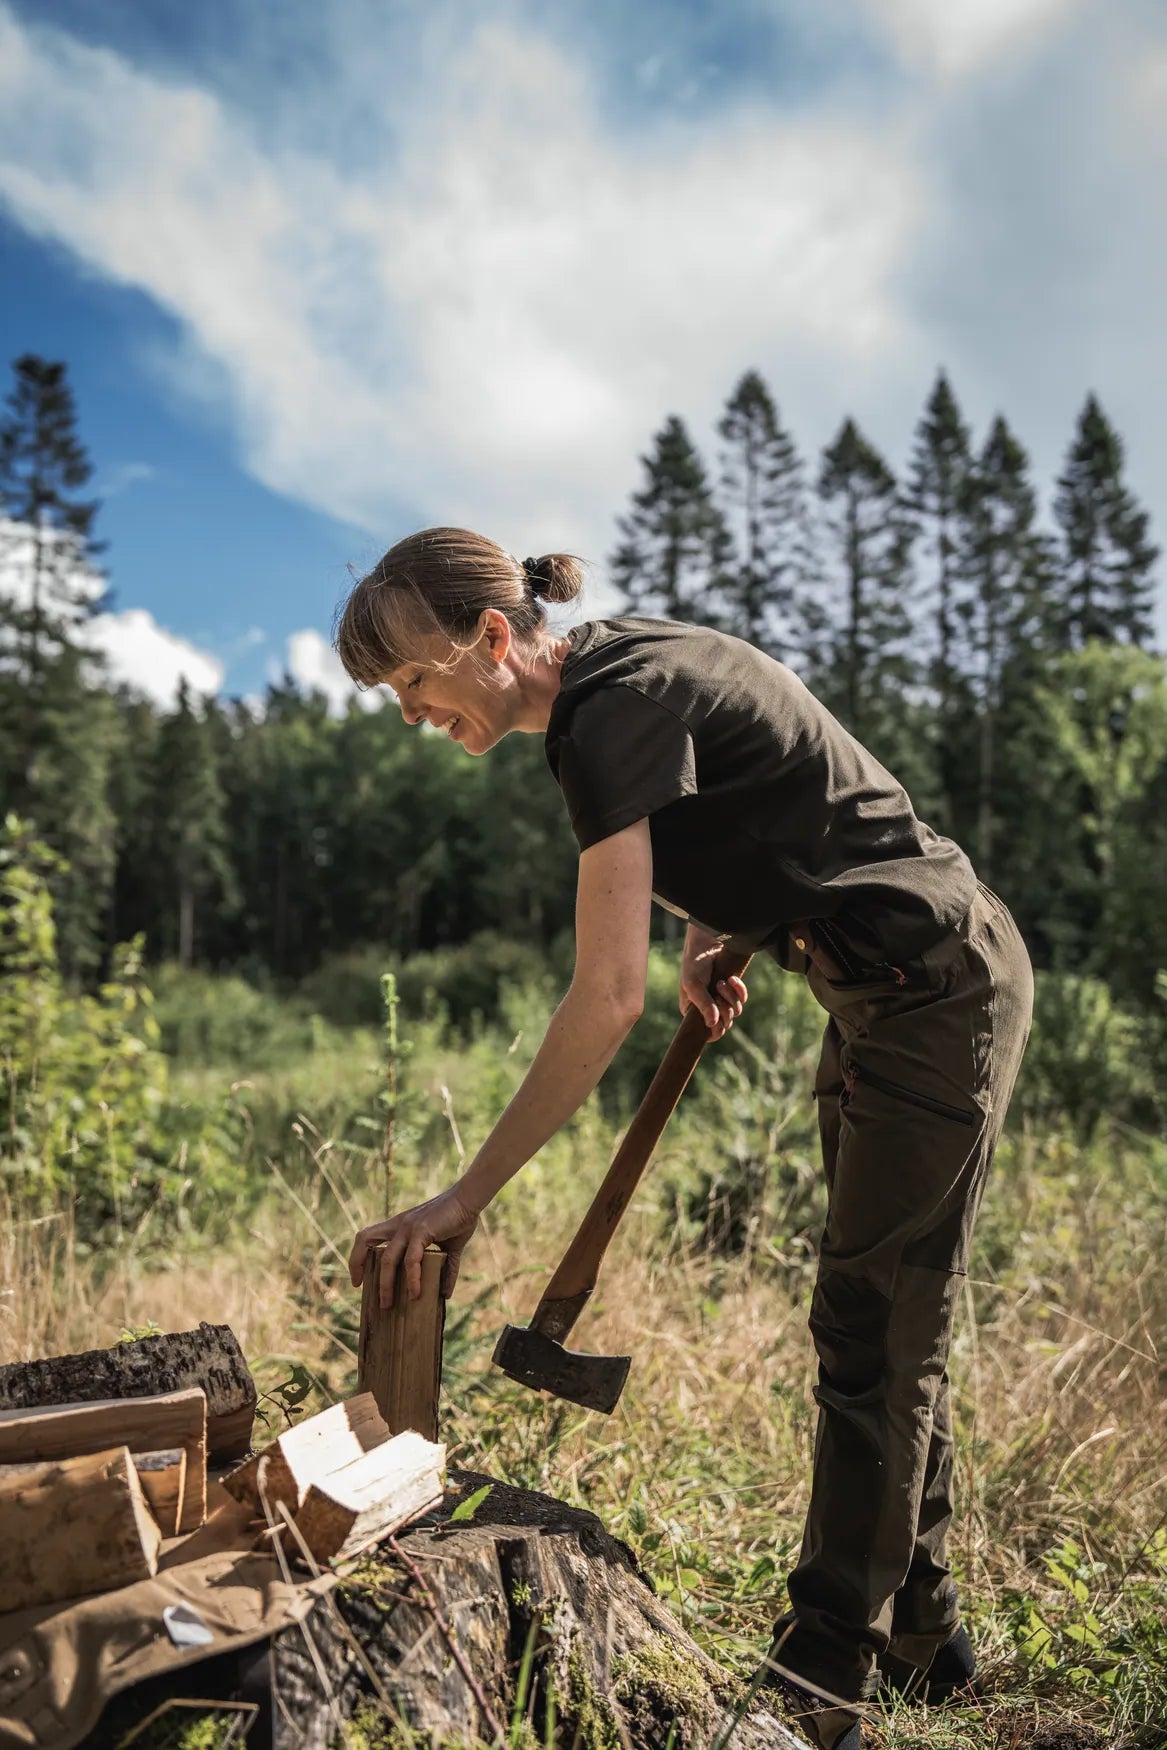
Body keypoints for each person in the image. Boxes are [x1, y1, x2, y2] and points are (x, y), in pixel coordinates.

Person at [335, 526, 1033, 1750]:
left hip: (938, 987)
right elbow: (783, 792)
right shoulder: (620, 669)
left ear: (492, 638)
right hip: (880, 987)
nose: (411, 715)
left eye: (415, 683)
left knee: (876, 1322)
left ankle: (822, 1684)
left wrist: (465, 1197)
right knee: (881, 1318)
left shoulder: (608, 714)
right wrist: (728, 923)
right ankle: (926, 1634)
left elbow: (603, 997)